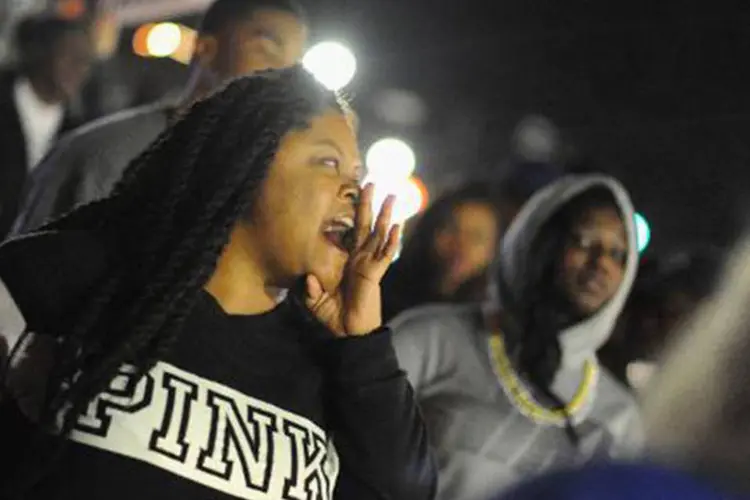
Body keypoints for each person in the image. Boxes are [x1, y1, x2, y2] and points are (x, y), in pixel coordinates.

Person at [0, 66, 435, 500]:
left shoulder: (333, 364)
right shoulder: (80, 275)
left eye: (356, 175)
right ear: (246, 159)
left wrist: (363, 345)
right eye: (328, 162)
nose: (354, 190)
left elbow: (405, 493)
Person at [391, 175, 641, 499]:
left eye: (618, 254)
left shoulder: (618, 418)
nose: (601, 263)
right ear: (538, 244)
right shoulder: (431, 339)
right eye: (583, 242)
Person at [11, 0, 308, 235]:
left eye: (293, 66)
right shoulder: (105, 156)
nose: (282, 77)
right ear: (205, 49)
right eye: (268, 51)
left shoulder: (263, 190)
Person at [0, 14, 92, 239]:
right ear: (40, 54)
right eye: (70, 56)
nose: (79, 67)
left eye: (86, 60)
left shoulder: (81, 132)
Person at [382, 182, 504, 321]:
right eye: (451, 229)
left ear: (494, 249)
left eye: (476, 236)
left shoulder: (493, 318)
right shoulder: (382, 292)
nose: (461, 244)